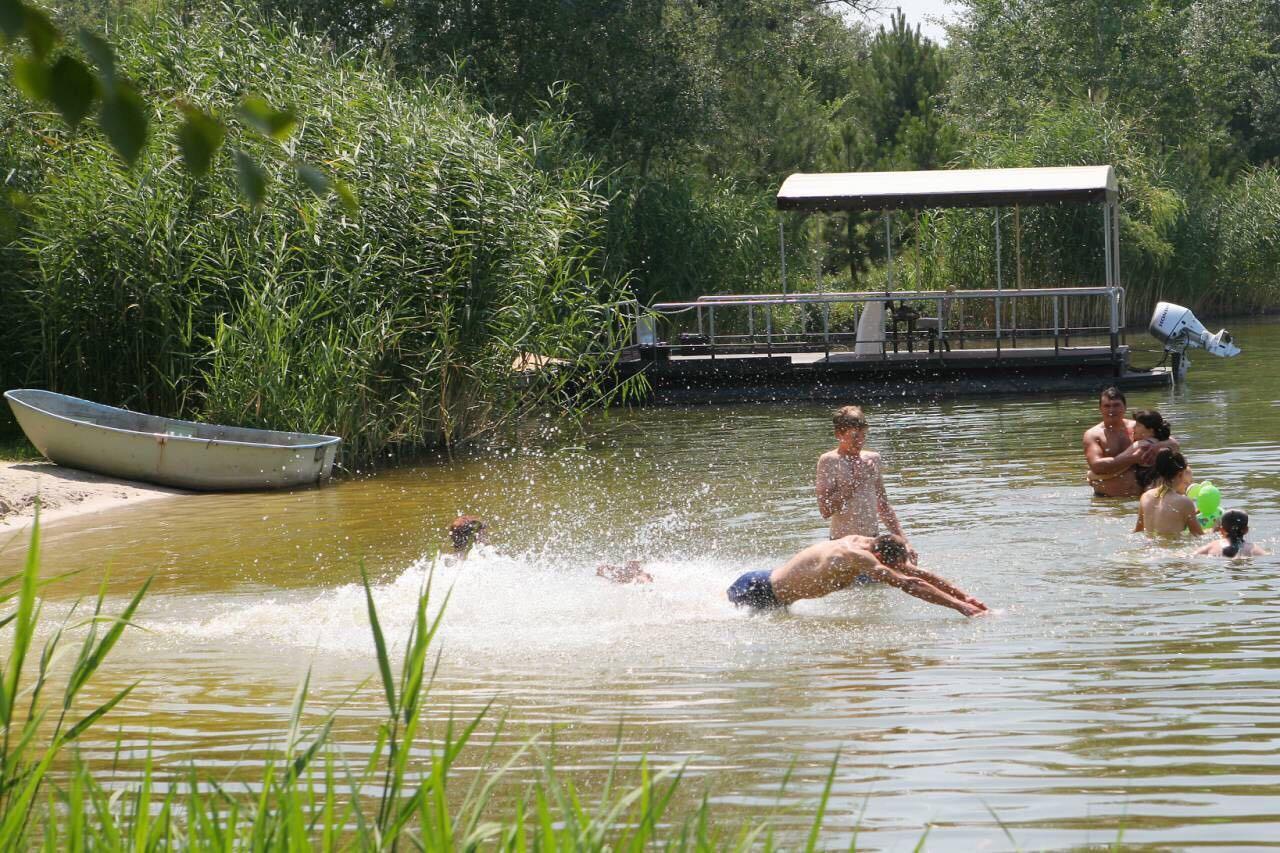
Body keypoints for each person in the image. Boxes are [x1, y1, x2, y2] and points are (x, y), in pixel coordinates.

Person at [726, 533, 987, 617]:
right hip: (757, 590)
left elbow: (916, 573)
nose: (898, 570)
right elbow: (910, 584)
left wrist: (967, 597)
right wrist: (961, 608)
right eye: (893, 566)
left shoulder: (873, 544)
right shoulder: (857, 555)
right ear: (882, 559)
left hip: (776, 597)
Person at [816, 406, 916, 558]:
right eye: (855, 436)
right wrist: (855, 482)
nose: (860, 441)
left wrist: (904, 541)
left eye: (863, 435)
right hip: (841, 546)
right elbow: (825, 511)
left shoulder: (873, 459)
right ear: (839, 435)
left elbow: (883, 505)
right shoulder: (829, 461)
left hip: (872, 543)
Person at [1083, 387, 1178, 497]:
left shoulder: (1139, 427)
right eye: (1107, 406)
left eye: (1116, 405)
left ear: (1125, 407)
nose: (1111, 410)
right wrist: (1133, 458)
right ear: (1100, 409)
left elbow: (1174, 445)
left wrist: (1156, 446)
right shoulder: (1093, 434)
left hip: (1144, 499)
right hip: (1107, 502)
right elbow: (1096, 466)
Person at [1134, 450, 1204, 537]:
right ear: (1180, 474)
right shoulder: (1185, 502)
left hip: (1149, 547)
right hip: (1173, 549)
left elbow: (1137, 532)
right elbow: (1198, 536)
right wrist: (1214, 530)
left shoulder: (1145, 497)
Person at [1128, 409, 1172, 493]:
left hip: (1148, 486)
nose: (1133, 428)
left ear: (1150, 430)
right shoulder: (1165, 442)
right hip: (1164, 483)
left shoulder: (1140, 445)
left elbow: (1119, 460)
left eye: (1138, 425)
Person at [1195, 510, 1270, 557]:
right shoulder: (1253, 549)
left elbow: (1191, 555)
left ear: (1221, 530)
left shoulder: (1213, 546)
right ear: (1246, 530)